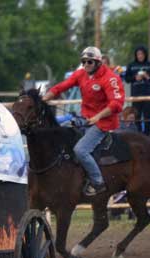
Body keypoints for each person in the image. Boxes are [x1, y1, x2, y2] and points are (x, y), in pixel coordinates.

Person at [43, 46, 125, 195]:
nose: (86, 65)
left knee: (80, 150)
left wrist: (98, 116)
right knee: (59, 135)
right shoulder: (81, 74)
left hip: (103, 123)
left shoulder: (111, 78)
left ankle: (98, 182)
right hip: (85, 118)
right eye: (84, 62)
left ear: (98, 63)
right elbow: (61, 87)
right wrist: (44, 98)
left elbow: (117, 104)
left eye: (90, 62)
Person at [124, 46, 150, 135]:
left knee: (147, 117)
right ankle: (138, 135)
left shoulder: (149, 65)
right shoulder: (131, 65)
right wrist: (135, 78)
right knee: (136, 117)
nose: (140, 56)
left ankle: (147, 136)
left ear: (145, 54)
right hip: (136, 94)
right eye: (138, 54)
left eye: (142, 54)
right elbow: (127, 78)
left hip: (147, 94)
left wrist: (147, 76)